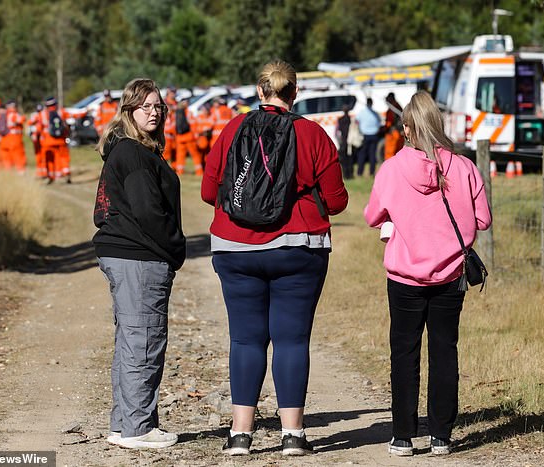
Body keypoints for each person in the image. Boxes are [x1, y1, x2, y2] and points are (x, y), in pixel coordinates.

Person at [201, 59, 348, 457]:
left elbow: (207, 189)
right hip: (299, 247)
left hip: (235, 248)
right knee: (291, 339)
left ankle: (240, 435)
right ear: (294, 92)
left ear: (259, 90)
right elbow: (336, 202)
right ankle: (293, 435)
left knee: (245, 339)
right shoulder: (313, 134)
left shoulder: (233, 128)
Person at [364, 91, 492, 456]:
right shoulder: (464, 168)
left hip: (404, 275)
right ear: (438, 124)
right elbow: (483, 218)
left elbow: (372, 215)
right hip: (452, 274)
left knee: (404, 353)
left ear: (406, 129)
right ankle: (441, 436)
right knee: (444, 351)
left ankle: (403, 436)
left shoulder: (391, 169)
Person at [93, 78, 186, 450]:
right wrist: (175, 247)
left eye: (158, 106)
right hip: (138, 257)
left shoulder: (132, 149)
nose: (154, 112)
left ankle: (123, 423)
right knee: (144, 340)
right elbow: (148, 211)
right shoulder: (132, 152)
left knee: (132, 340)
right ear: (128, 110)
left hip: (129, 254)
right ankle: (138, 428)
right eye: (145, 106)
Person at [38, 96, 71, 183]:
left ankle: (51, 176)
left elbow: (38, 128)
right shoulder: (61, 111)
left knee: (50, 159)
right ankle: (66, 172)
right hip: (61, 140)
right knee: (63, 157)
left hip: (47, 141)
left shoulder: (42, 114)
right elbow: (71, 117)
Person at [174, 99, 203, 175]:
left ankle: (179, 171)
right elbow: (193, 124)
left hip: (180, 137)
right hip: (189, 137)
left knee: (180, 156)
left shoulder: (176, 112)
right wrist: (195, 136)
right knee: (195, 155)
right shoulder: (188, 113)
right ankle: (199, 171)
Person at [355, 97, 382, 176]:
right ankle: (371, 172)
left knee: (362, 154)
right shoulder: (375, 113)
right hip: (374, 135)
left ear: (366, 103)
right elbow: (379, 122)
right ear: (372, 103)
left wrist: (360, 129)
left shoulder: (362, 113)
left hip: (365, 135)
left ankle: (360, 172)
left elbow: (356, 121)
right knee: (372, 154)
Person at [0, 99, 27, 174]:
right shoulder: (13, 114)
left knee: (7, 157)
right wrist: (24, 117)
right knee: (18, 155)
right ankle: (21, 172)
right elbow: (21, 120)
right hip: (14, 139)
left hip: (5, 139)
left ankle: (8, 173)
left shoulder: (4, 114)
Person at [383, 92, 404, 160]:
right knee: (398, 153)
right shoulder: (397, 106)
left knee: (390, 154)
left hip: (393, 134)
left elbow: (389, 122)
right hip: (398, 133)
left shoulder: (393, 108)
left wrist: (385, 129)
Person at [335, 105, 353, 179]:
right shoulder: (351, 119)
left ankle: (346, 175)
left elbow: (336, 132)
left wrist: (339, 141)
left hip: (343, 141)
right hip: (350, 141)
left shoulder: (340, 120)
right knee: (350, 158)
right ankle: (350, 174)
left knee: (344, 159)